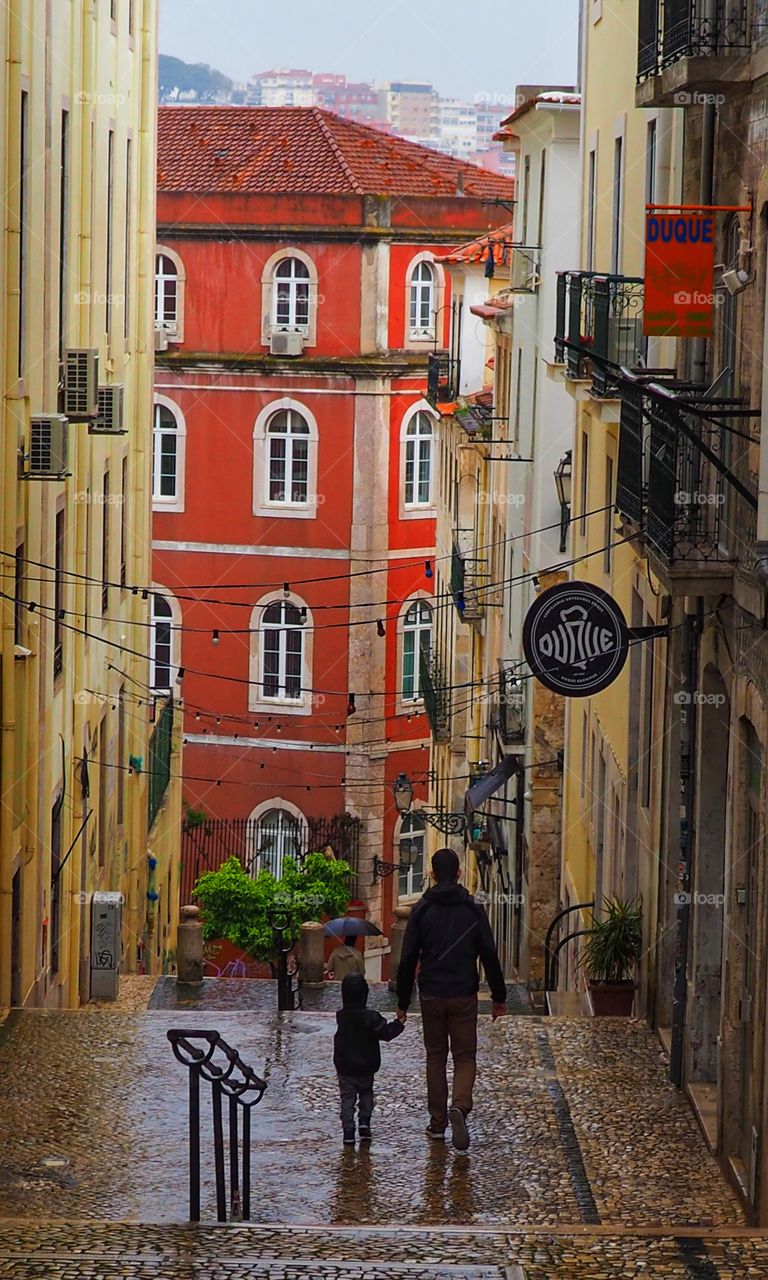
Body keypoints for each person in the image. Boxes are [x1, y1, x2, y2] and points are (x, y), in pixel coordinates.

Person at [396, 847, 507, 1151]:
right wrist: (499, 996)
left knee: (435, 1056)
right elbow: (488, 953)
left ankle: (437, 1123)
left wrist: (403, 1002)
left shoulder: (421, 909)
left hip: (431, 992)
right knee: (465, 1056)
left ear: (431, 874)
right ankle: (460, 1106)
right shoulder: (472, 909)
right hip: (463, 993)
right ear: (459, 873)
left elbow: (407, 959)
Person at [333, 972, 404, 1145]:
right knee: (366, 1094)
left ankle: (348, 1131)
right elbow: (385, 1033)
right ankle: (364, 1122)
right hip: (366, 1065)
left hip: (345, 1067)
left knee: (347, 1100)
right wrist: (399, 1024)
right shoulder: (371, 1017)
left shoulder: (341, 1016)